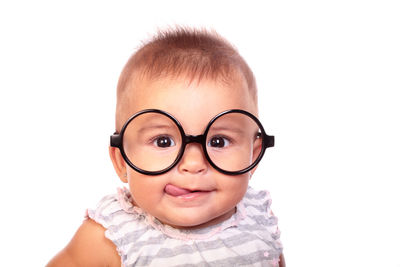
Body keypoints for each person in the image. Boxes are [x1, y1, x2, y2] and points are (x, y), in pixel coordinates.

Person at [47, 27, 285, 267]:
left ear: (253, 155)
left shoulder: (259, 219)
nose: (193, 164)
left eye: (218, 141)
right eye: (163, 141)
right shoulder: (109, 239)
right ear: (121, 160)